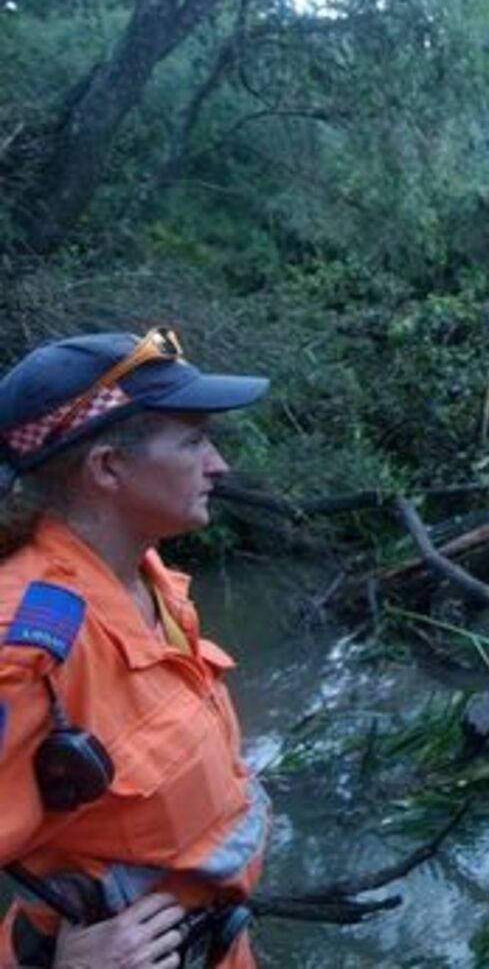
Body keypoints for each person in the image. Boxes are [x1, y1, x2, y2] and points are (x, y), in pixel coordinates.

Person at [0, 328, 271, 968]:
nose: (219, 465)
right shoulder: (26, 646)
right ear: (108, 468)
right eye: (193, 441)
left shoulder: (147, 577)